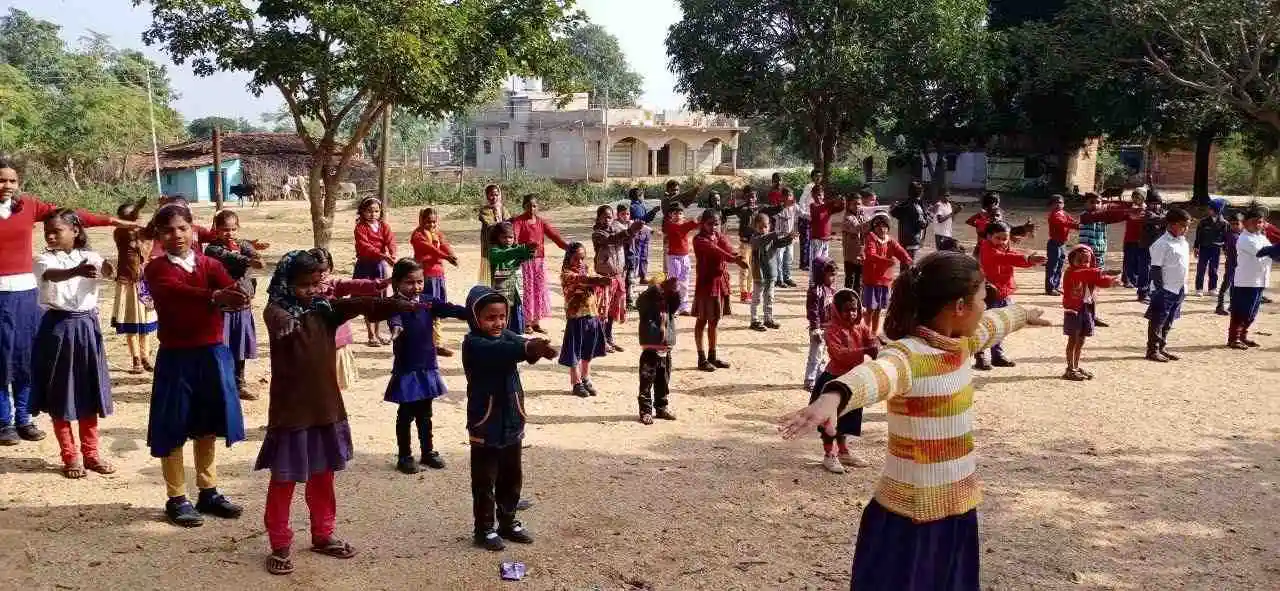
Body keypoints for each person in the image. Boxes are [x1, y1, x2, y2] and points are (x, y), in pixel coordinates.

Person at [779, 251, 1050, 591]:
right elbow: (876, 374)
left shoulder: (962, 344)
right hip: (910, 518)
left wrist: (1023, 313)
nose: (986, 305)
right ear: (959, 307)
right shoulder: (909, 355)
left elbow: (996, 323)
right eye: (983, 297)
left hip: (958, 510)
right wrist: (834, 396)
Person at [257, 250, 417, 575]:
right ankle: (280, 542)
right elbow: (277, 320)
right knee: (284, 480)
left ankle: (323, 534)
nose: (313, 290)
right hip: (291, 414)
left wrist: (394, 304)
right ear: (287, 283)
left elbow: (360, 304)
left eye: (318, 283)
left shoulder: (325, 309)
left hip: (325, 410)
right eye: (305, 285)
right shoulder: (276, 310)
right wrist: (289, 322)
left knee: (322, 478)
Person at [0, 159, 130, 446]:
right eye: (1, 180)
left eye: (11, 180)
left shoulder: (29, 206)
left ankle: (23, 418)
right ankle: (3, 421)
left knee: (25, 357)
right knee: (0, 358)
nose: (7, 186)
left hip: (25, 293)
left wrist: (111, 220)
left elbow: (71, 216)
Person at [144, 203, 250, 527]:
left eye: (182, 228)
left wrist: (244, 289)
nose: (176, 235)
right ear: (159, 236)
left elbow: (235, 288)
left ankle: (208, 491)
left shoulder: (211, 263)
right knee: (172, 427)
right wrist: (218, 297)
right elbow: (178, 294)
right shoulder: (156, 269)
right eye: (168, 230)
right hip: (177, 357)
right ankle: (176, 497)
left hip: (212, 353)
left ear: (193, 230)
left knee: (207, 425)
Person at [462, 285, 556, 551]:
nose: (498, 323)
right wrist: (529, 350)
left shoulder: (506, 335)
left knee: (511, 476)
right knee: (485, 480)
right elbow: (503, 352)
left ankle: (508, 520)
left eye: (502, 317)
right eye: (490, 317)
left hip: (512, 418)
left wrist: (535, 346)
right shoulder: (474, 343)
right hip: (486, 421)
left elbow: (519, 342)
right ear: (475, 317)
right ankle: (484, 529)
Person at [30, 210, 115, 478]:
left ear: (75, 231)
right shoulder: (44, 259)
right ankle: (70, 456)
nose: (51, 236)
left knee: (88, 392)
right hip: (58, 329)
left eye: (57, 231)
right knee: (60, 394)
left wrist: (117, 264)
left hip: (87, 329)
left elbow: (108, 271)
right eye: (48, 233)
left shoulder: (90, 257)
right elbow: (52, 276)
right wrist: (76, 271)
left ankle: (91, 454)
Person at [382, 258, 469, 473]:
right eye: (409, 283)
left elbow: (449, 309)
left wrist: (473, 311)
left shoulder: (428, 301)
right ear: (397, 283)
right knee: (406, 414)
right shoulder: (395, 305)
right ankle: (404, 456)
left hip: (427, 367)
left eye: (419, 282)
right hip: (407, 368)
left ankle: (428, 451)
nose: (416, 287)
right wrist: (394, 331)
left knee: (426, 413)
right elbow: (395, 322)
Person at [809, 289, 876, 473]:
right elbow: (838, 354)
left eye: (854, 309)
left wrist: (877, 346)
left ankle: (844, 451)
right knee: (830, 421)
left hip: (852, 380)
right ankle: (829, 455)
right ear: (837, 311)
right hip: (834, 381)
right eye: (847, 310)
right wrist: (864, 351)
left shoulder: (860, 325)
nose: (852, 313)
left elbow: (871, 341)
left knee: (847, 419)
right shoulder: (832, 329)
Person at [204, 210, 265, 400]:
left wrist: (254, 256)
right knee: (220, 347)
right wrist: (249, 260)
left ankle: (239, 384)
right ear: (216, 229)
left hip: (242, 305)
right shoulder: (212, 249)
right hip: (222, 308)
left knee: (240, 346)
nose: (229, 233)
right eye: (224, 229)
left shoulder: (243, 245)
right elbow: (229, 257)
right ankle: (219, 385)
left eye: (233, 229)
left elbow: (256, 257)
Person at [309, 248, 390, 390]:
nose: (322, 274)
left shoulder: (334, 286)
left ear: (330, 268)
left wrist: (383, 282)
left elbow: (357, 285)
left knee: (335, 389)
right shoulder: (302, 291)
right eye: (317, 270)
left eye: (325, 270)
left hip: (337, 347)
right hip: (315, 347)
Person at [974, 221, 1047, 370]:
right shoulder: (987, 248)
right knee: (984, 325)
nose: (1002, 241)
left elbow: (1010, 255)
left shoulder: (1002, 246)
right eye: (998, 238)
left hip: (1003, 291)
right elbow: (1004, 258)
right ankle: (980, 357)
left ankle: (997, 356)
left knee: (1001, 325)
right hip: (990, 293)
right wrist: (1027, 259)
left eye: (1005, 238)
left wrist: (1028, 259)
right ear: (989, 236)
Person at [692, 209, 747, 371]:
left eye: (716, 224)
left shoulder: (719, 236)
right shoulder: (699, 239)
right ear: (702, 224)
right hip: (706, 285)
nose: (714, 227)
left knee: (714, 321)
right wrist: (734, 259)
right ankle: (701, 358)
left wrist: (737, 256)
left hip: (719, 284)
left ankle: (712, 356)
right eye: (710, 224)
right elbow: (717, 251)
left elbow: (728, 248)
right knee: (702, 320)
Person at [110, 198, 158, 373]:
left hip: (143, 281)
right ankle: (136, 358)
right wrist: (138, 209)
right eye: (129, 217)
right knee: (132, 322)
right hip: (127, 283)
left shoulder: (142, 232)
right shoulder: (121, 233)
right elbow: (132, 230)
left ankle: (145, 356)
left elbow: (152, 229)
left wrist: (158, 208)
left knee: (145, 323)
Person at [511, 194, 570, 334]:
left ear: (538, 207)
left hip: (539, 263)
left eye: (534, 205)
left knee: (538, 291)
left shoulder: (541, 222)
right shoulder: (519, 222)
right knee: (526, 291)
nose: (532, 208)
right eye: (528, 205)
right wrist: (524, 248)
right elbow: (514, 239)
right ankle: (526, 322)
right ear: (523, 206)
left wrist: (569, 248)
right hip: (525, 262)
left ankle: (536, 322)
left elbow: (555, 236)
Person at [559, 242, 611, 397]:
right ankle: (576, 382)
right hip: (576, 317)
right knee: (575, 351)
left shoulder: (586, 270)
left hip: (591, 315)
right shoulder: (566, 274)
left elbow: (591, 279)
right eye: (576, 259)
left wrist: (600, 280)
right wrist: (599, 280)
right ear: (568, 258)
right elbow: (582, 280)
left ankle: (585, 377)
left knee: (588, 349)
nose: (580, 262)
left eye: (582, 258)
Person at [1060, 245, 1120, 381]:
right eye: (1079, 261)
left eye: (1086, 261)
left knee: (1081, 340)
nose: (1082, 264)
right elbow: (1086, 274)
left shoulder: (1090, 272)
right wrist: (1104, 271)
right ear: (1072, 260)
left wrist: (1111, 282)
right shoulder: (1071, 272)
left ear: (1091, 260)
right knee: (1073, 340)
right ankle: (1070, 369)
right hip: (1074, 311)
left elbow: (1100, 281)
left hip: (1086, 309)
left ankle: (1075, 366)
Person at [1078, 192, 1134, 327]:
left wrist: (1129, 212)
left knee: (1094, 288)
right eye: (1092, 202)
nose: (1096, 205)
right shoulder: (1086, 216)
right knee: (1087, 288)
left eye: (1098, 202)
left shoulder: (1102, 217)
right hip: (1087, 259)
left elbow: (1114, 216)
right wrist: (1127, 210)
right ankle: (1086, 316)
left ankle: (1091, 315)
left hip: (1099, 256)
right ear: (1085, 203)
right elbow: (1108, 215)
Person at [410, 207, 460, 356]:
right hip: (426, 276)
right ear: (422, 221)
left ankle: (436, 343)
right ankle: (426, 343)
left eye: (433, 222)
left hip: (438, 276)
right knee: (426, 309)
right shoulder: (417, 235)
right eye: (428, 222)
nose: (431, 225)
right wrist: (446, 257)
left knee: (437, 309)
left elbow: (444, 245)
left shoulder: (437, 234)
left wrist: (452, 255)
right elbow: (430, 249)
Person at [592, 205, 644, 352]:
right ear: (599, 218)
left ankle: (609, 338)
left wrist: (633, 231)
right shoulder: (597, 234)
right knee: (603, 311)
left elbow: (626, 239)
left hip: (617, 275)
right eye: (605, 217)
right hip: (604, 278)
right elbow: (612, 240)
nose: (608, 220)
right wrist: (630, 230)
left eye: (610, 217)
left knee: (612, 311)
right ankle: (601, 341)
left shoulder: (616, 229)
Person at [1228, 205, 1280, 349]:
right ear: (1245, 223)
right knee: (1241, 310)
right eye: (1255, 222)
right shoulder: (1244, 239)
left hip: (1259, 279)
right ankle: (1234, 338)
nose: (1259, 225)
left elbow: (1273, 254)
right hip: (1246, 281)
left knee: (1252, 311)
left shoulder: (1262, 237)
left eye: (1261, 222)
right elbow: (1263, 252)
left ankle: (1243, 336)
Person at [1144, 208, 1192, 363]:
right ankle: (1153, 350)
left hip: (1179, 288)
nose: (1186, 229)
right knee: (1158, 319)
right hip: (1165, 289)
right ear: (1171, 224)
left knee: (1169, 319)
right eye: (1183, 225)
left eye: (1187, 226)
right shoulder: (1162, 243)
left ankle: (1162, 346)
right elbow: (1155, 268)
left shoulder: (1183, 242)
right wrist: (1160, 289)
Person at [723, 188, 781, 303]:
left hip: (755, 244)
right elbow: (729, 211)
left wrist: (782, 205)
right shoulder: (743, 209)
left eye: (753, 197)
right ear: (745, 198)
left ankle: (749, 292)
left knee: (753, 269)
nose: (751, 199)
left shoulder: (760, 209)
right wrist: (729, 206)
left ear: (756, 198)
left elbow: (772, 210)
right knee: (744, 268)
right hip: (745, 244)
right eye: (749, 197)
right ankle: (743, 293)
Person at [636, 275, 680, 425]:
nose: (662, 295)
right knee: (646, 383)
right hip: (650, 351)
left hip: (666, 351)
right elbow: (642, 298)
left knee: (664, 381)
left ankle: (661, 407)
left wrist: (674, 289)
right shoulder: (645, 307)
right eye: (660, 291)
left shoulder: (668, 307)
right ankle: (645, 411)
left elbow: (676, 300)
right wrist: (658, 287)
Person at [353, 197, 396, 346]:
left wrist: (392, 254)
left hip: (380, 266)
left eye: (376, 211)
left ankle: (377, 333)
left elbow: (391, 241)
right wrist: (384, 255)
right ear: (362, 212)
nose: (373, 214)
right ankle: (370, 334)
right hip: (365, 266)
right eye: (369, 211)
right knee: (367, 300)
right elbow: (365, 246)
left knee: (379, 300)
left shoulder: (384, 226)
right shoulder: (360, 228)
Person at [861, 213, 913, 336]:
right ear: (874, 228)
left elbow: (900, 251)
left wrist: (909, 260)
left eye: (884, 226)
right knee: (870, 309)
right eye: (878, 226)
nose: (882, 229)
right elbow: (870, 255)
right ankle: (866, 334)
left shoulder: (890, 241)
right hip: (872, 280)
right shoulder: (870, 239)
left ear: (888, 228)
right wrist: (887, 261)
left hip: (885, 280)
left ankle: (874, 333)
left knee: (879, 309)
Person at [748, 213, 797, 331]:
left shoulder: (770, 237)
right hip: (759, 274)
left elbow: (779, 243)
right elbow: (761, 241)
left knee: (769, 297)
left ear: (769, 226)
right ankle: (754, 320)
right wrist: (774, 234)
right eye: (761, 227)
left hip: (771, 273)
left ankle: (768, 319)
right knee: (757, 298)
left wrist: (790, 238)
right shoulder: (755, 239)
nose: (763, 229)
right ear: (755, 227)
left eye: (766, 226)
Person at [488, 222, 536, 336]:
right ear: (497, 237)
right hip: (502, 290)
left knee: (516, 312)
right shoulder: (494, 250)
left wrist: (530, 251)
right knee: (503, 313)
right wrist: (522, 250)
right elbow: (504, 255)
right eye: (504, 237)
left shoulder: (515, 248)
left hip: (516, 289)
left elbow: (524, 255)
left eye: (511, 237)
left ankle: (516, 336)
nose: (508, 240)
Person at [803, 257, 838, 391]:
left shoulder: (832, 291)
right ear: (821, 274)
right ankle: (810, 380)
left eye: (835, 275)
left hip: (828, 328)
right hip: (818, 329)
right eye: (830, 275)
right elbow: (813, 312)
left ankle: (819, 379)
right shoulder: (815, 291)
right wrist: (815, 329)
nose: (833, 278)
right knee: (815, 355)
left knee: (823, 356)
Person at [662, 204, 701, 315]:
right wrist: (694, 222)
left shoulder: (684, 225)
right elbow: (682, 228)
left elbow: (697, 225)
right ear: (671, 216)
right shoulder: (670, 225)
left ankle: (683, 307)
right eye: (675, 213)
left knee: (684, 283)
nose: (678, 215)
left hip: (684, 257)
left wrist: (698, 221)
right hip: (673, 257)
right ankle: (673, 307)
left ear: (683, 216)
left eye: (680, 213)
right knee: (674, 283)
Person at [1134, 192, 1168, 303]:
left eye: (1157, 203)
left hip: (1158, 248)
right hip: (1146, 246)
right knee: (1145, 270)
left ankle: (1151, 292)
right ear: (1148, 204)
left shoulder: (1162, 213)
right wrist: (1169, 217)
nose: (1156, 206)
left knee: (1156, 271)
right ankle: (1142, 293)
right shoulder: (1147, 213)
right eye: (1153, 203)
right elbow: (1160, 220)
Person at [1193, 198, 1229, 297]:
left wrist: (1226, 251)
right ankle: (1199, 288)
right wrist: (1196, 247)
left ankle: (1212, 288)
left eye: (1211, 209)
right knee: (1201, 268)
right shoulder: (1203, 222)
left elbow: (1226, 238)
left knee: (1214, 269)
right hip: (1204, 248)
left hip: (1215, 249)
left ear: (1217, 210)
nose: (1209, 210)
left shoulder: (1224, 223)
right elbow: (1198, 236)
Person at [1045, 194, 1079, 296]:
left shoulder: (1064, 213)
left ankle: (1056, 285)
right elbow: (1064, 223)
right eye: (1055, 203)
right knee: (1053, 266)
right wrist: (1077, 226)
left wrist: (1078, 223)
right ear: (1051, 205)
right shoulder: (1054, 215)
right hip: (1054, 243)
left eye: (1060, 202)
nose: (1058, 205)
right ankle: (1050, 288)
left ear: (1063, 204)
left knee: (1059, 265)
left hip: (1062, 244)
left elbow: (1071, 221)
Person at [807, 185, 846, 276]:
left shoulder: (827, 207)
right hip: (816, 239)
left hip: (826, 240)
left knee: (824, 263)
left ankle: (821, 281)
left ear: (823, 195)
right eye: (816, 195)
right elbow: (818, 211)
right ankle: (812, 283)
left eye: (820, 195)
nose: (818, 197)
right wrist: (833, 201)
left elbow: (839, 208)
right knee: (815, 262)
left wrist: (842, 202)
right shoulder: (813, 206)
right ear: (812, 195)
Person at [476, 184, 510, 286]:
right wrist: (502, 222)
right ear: (486, 196)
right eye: (491, 195)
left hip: (503, 246)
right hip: (490, 247)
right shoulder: (484, 210)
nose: (494, 197)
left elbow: (509, 224)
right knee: (490, 273)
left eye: (496, 194)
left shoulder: (503, 209)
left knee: (503, 272)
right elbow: (491, 225)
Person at [890, 181, 929, 260]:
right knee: (910, 264)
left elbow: (893, 212)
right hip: (912, 241)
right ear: (920, 192)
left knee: (904, 263)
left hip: (903, 240)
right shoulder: (917, 207)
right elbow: (922, 224)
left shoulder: (903, 204)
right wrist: (929, 217)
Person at [842, 192, 872, 291]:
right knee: (850, 281)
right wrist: (871, 222)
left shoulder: (862, 216)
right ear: (849, 205)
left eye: (859, 204)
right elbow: (857, 228)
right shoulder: (847, 217)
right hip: (850, 256)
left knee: (859, 282)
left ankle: (857, 304)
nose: (857, 206)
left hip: (861, 254)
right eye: (854, 204)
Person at [1216, 212, 1244, 316]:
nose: (1235, 226)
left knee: (1234, 285)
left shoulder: (1240, 235)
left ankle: (1232, 305)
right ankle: (1220, 306)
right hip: (1232, 264)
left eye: (1237, 223)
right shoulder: (1232, 236)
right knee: (1226, 284)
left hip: (1237, 265)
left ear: (1242, 224)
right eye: (1233, 224)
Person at [772, 188, 801, 288]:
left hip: (790, 237)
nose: (789, 198)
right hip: (780, 237)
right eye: (787, 196)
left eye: (790, 195)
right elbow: (775, 224)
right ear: (782, 197)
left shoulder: (794, 207)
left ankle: (787, 277)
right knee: (779, 259)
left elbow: (803, 213)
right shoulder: (779, 209)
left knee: (789, 258)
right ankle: (779, 279)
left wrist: (814, 217)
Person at [626, 188, 654, 284]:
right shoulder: (634, 207)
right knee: (637, 256)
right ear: (639, 197)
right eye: (643, 196)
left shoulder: (640, 205)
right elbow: (640, 220)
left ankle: (642, 276)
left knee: (643, 256)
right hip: (638, 234)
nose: (643, 198)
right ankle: (635, 276)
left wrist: (651, 214)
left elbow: (646, 220)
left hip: (644, 233)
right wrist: (652, 212)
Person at [964, 192, 1004, 256]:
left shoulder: (982, 214)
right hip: (990, 248)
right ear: (995, 202)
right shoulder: (997, 212)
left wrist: (978, 224)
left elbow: (969, 221)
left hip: (980, 246)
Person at [797, 169, 822, 271]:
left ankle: (807, 262)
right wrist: (803, 213)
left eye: (820, 176)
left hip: (813, 217)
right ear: (812, 177)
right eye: (816, 176)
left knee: (810, 240)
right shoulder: (809, 187)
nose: (818, 178)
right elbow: (802, 200)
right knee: (805, 240)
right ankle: (804, 263)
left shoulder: (819, 188)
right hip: (806, 217)